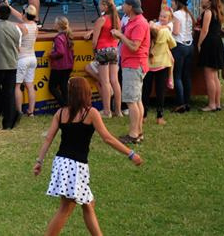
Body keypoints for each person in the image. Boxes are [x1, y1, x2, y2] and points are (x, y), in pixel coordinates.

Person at [33, 76, 143, 236]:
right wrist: (130, 153)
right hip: (76, 166)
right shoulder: (90, 113)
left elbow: (48, 139)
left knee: (89, 204)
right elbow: (108, 138)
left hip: (61, 163)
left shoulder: (61, 113)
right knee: (66, 208)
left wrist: (39, 161)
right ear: (86, 93)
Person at [113, 0, 151, 143]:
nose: (122, 6)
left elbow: (135, 46)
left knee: (131, 101)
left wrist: (120, 36)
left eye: (124, 4)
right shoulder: (134, 21)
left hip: (134, 65)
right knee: (137, 100)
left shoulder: (139, 23)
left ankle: (134, 134)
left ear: (130, 7)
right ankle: (138, 132)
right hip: (134, 64)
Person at [0, 1, 22, 130]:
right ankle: (10, 117)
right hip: (11, 64)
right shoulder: (15, 28)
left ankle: (9, 116)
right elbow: (18, 45)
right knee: (9, 93)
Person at [142, 8, 176, 125]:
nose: (162, 18)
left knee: (146, 90)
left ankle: (144, 115)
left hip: (149, 63)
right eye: (161, 16)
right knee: (160, 91)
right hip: (162, 63)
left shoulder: (149, 29)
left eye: (164, 17)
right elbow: (173, 44)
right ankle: (159, 117)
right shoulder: (165, 31)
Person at [90, 0, 122, 118]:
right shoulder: (116, 19)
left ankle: (107, 111)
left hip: (102, 50)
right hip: (114, 49)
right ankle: (118, 111)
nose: (99, 6)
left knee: (105, 81)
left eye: (100, 4)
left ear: (105, 6)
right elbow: (118, 36)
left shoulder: (101, 20)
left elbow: (94, 41)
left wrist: (94, 49)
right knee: (115, 81)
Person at [196, 0, 224, 112]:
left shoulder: (208, 12)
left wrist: (199, 43)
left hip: (210, 44)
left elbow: (205, 30)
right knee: (215, 76)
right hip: (217, 42)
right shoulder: (217, 11)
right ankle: (217, 103)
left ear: (210, 0)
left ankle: (212, 104)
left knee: (209, 76)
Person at [170, 0, 194, 112]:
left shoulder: (176, 14)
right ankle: (187, 102)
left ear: (177, 2)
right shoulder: (188, 13)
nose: (171, 3)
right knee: (186, 75)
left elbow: (176, 31)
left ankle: (180, 104)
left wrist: (167, 27)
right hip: (190, 46)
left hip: (179, 46)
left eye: (173, 1)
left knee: (177, 76)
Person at [16, 4, 39, 117]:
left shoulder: (20, 26)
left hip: (22, 58)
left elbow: (5, 22)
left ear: (24, 14)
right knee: (30, 85)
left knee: (17, 86)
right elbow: (21, 17)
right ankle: (31, 111)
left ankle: (19, 112)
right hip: (32, 58)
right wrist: (9, 8)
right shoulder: (35, 26)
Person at [48, 17, 75, 108]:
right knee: (63, 87)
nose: (54, 24)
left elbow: (61, 52)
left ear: (59, 25)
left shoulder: (59, 38)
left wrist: (51, 55)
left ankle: (64, 105)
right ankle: (67, 106)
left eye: (55, 23)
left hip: (59, 66)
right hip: (68, 66)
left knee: (52, 87)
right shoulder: (68, 36)